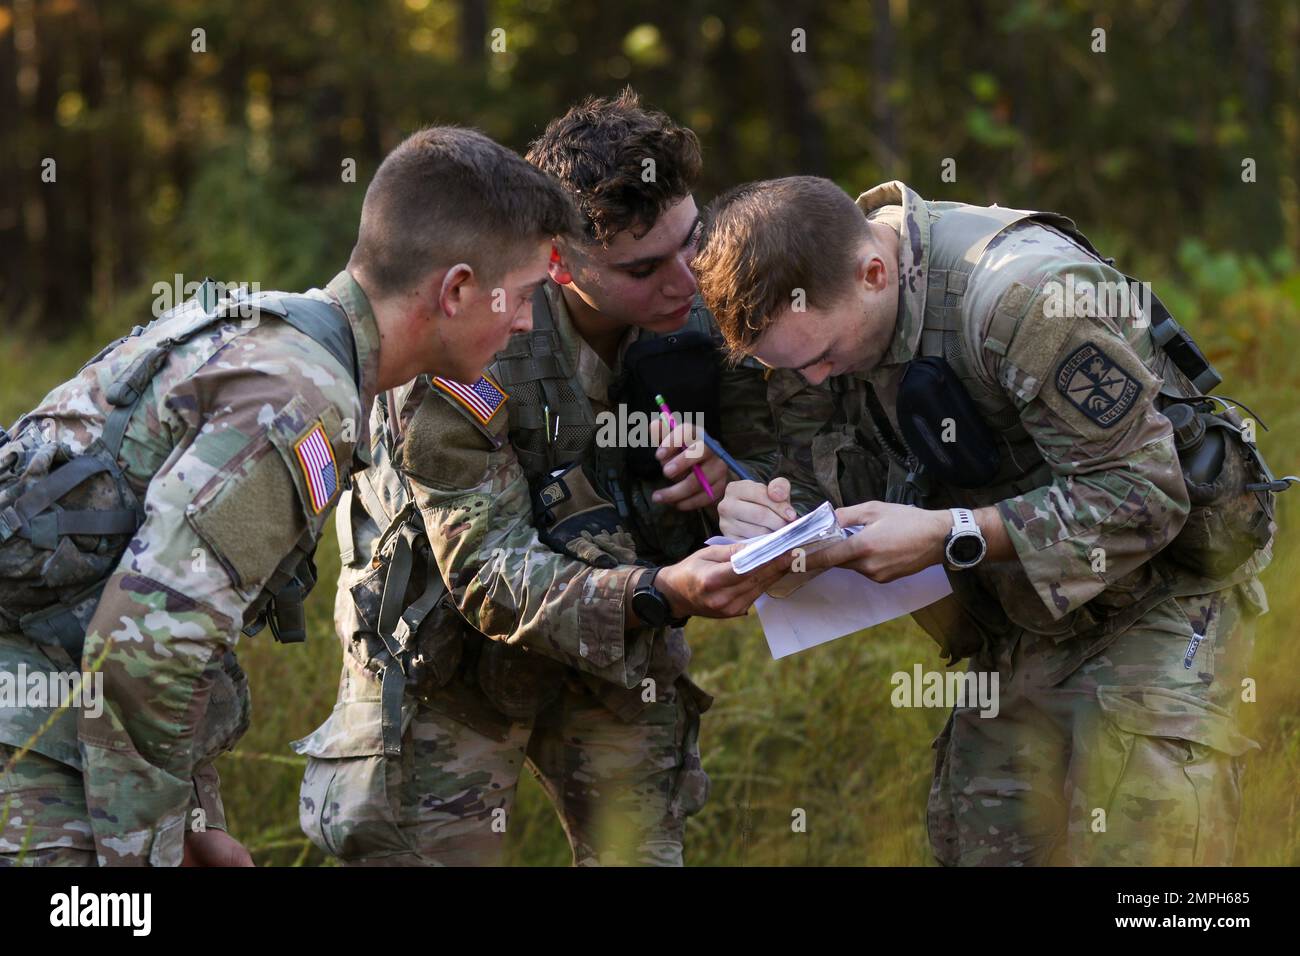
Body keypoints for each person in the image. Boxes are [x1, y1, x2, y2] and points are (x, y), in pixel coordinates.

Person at [0, 126, 576, 866]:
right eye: (523, 295)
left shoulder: (273, 329)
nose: (527, 322)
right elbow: (149, 650)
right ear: (458, 289)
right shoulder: (300, 397)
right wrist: (146, 860)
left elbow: (161, 612)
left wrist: (197, 819)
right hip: (34, 743)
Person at [695, 176, 1278, 865]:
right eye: (791, 367)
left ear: (875, 272)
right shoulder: (813, 332)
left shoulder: (1023, 298)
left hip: (1158, 602)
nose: (816, 380)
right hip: (1015, 623)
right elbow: (838, 477)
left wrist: (952, 535)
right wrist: (765, 510)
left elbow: (1143, 494)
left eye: (822, 358)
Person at [297, 90, 789, 867]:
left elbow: (779, 452)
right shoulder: (468, 344)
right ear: (559, 260)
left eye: (692, 242)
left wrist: (737, 491)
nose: (686, 283)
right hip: (446, 658)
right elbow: (487, 571)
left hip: (623, 652)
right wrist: (659, 592)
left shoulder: (714, 301)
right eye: (643, 268)